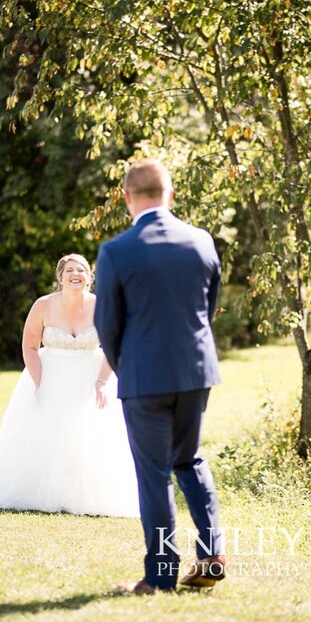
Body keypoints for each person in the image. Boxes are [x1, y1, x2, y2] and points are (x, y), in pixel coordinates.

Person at [94, 158, 225, 594]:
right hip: (195, 371)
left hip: (144, 377)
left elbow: (107, 325)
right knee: (189, 460)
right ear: (169, 194)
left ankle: (160, 577)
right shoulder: (202, 241)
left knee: (154, 473)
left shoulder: (116, 250)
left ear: (127, 198)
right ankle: (211, 556)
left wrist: (126, 363)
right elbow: (208, 307)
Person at [0, 253, 140, 518]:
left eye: (81, 270)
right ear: (60, 277)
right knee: (48, 435)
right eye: (69, 270)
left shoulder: (102, 306)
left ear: (89, 277)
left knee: (90, 434)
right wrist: (39, 382)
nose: (75, 274)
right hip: (50, 376)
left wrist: (102, 382)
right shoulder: (43, 305)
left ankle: (84, 493)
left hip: (92, 379)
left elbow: (115, 346)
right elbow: (30, 346)